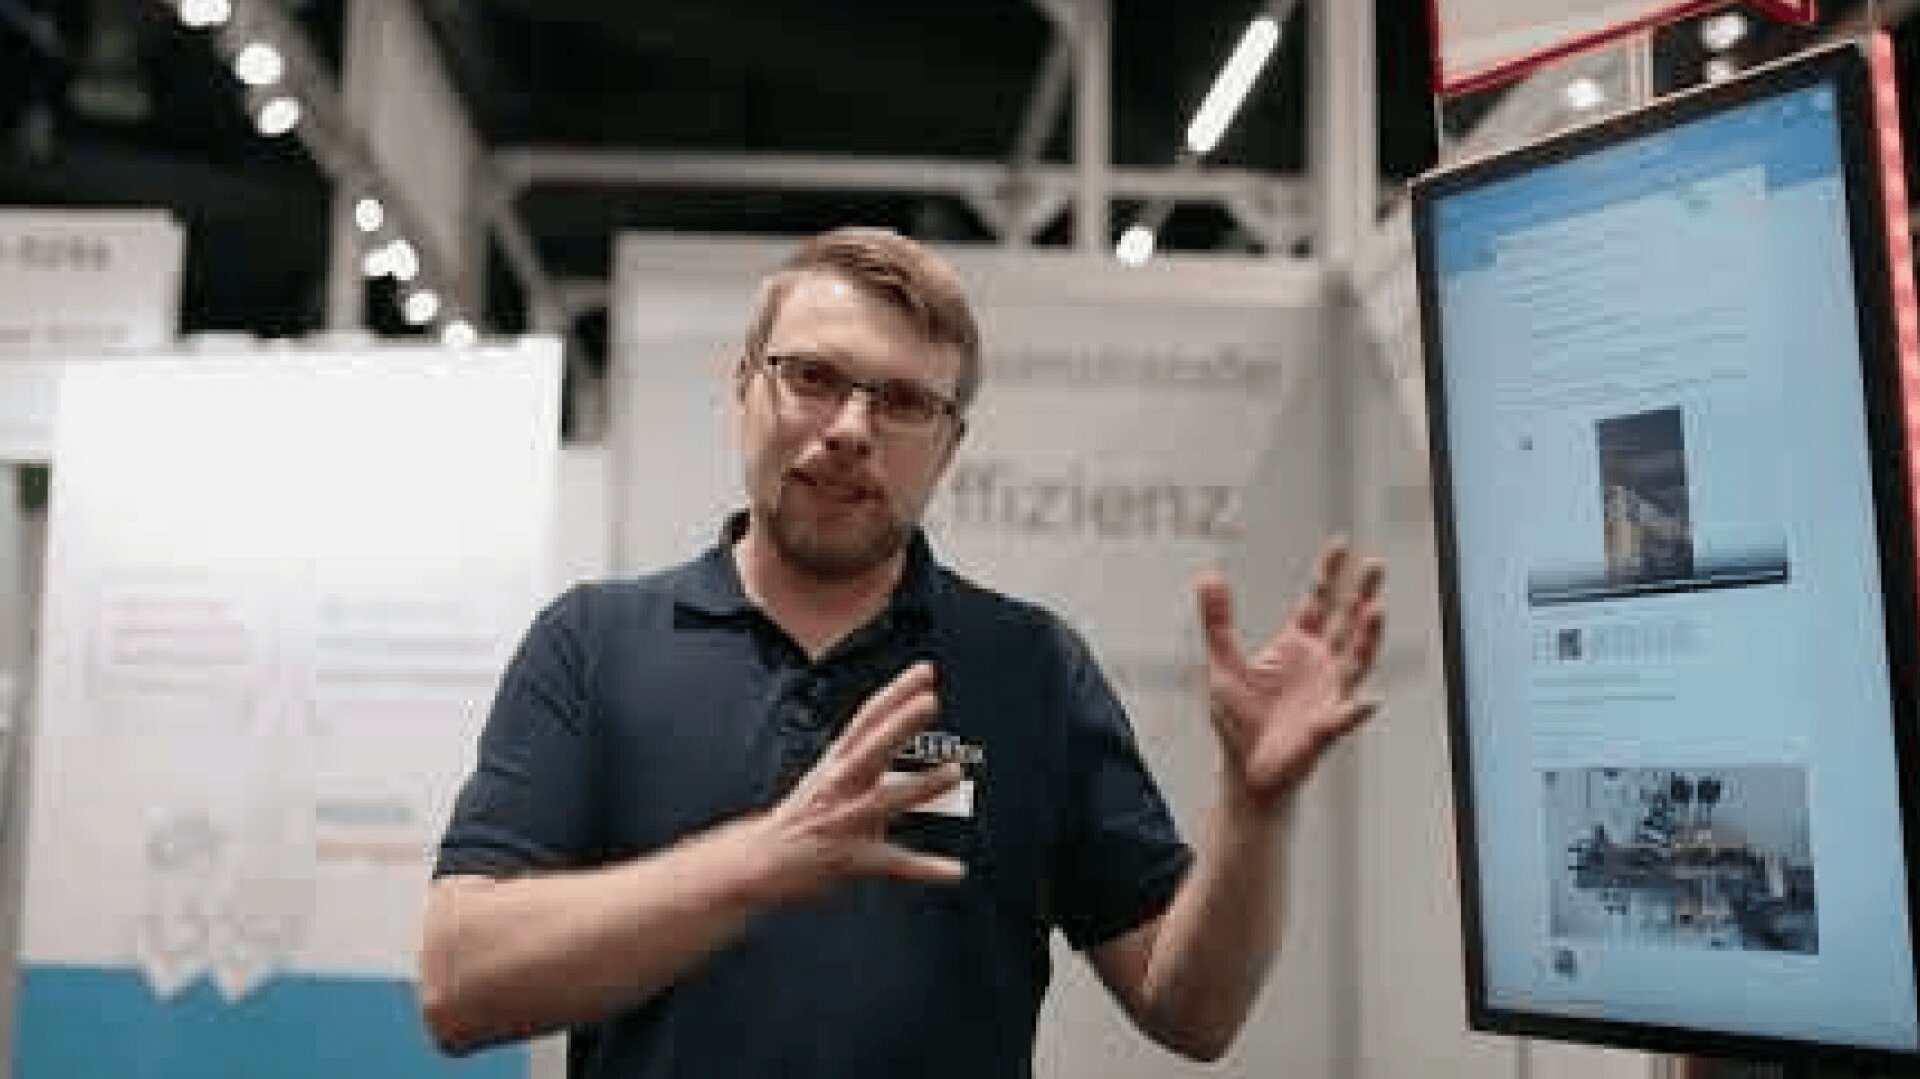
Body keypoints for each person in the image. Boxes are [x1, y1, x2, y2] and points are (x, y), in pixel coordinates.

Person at [417, 227, 1385, 1078]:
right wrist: (763, 858)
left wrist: (1258, 815)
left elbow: (1194, 1011)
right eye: (814, 377)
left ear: (949, 446)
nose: (849, 428)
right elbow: (460, 984)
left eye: (902, 401)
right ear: (743, 385)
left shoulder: (1032, 668)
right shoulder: (595, 645)